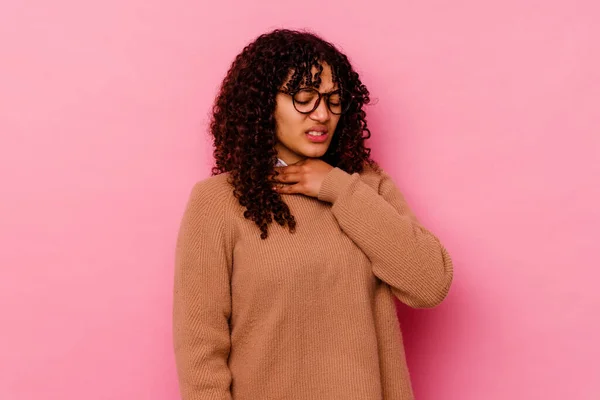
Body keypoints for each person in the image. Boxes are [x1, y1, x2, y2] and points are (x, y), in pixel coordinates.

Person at [172, 28, 453, 400]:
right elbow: (200, 355)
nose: (321, 114)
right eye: (304, 98)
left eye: (334, 100)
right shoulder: (218, 203)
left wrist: (337, 188)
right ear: (262, 104)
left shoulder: (366, 187)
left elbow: (430, 283)